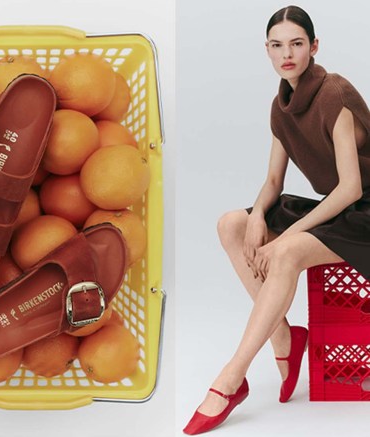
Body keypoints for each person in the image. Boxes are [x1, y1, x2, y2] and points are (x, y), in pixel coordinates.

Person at [183, 5, 370, 435]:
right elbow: (272, 179)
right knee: (230, 223)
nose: (287, 53)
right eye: (277, 45)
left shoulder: (334, 94)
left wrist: (283, 237)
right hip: (339, 210)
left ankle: (231, 379)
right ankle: (286, 339)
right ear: (267, 51)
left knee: (284, 250)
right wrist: (255, 218)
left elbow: (350, 188)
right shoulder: (280, 106)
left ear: (314, 47)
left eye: (297, 44)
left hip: (362, 212)